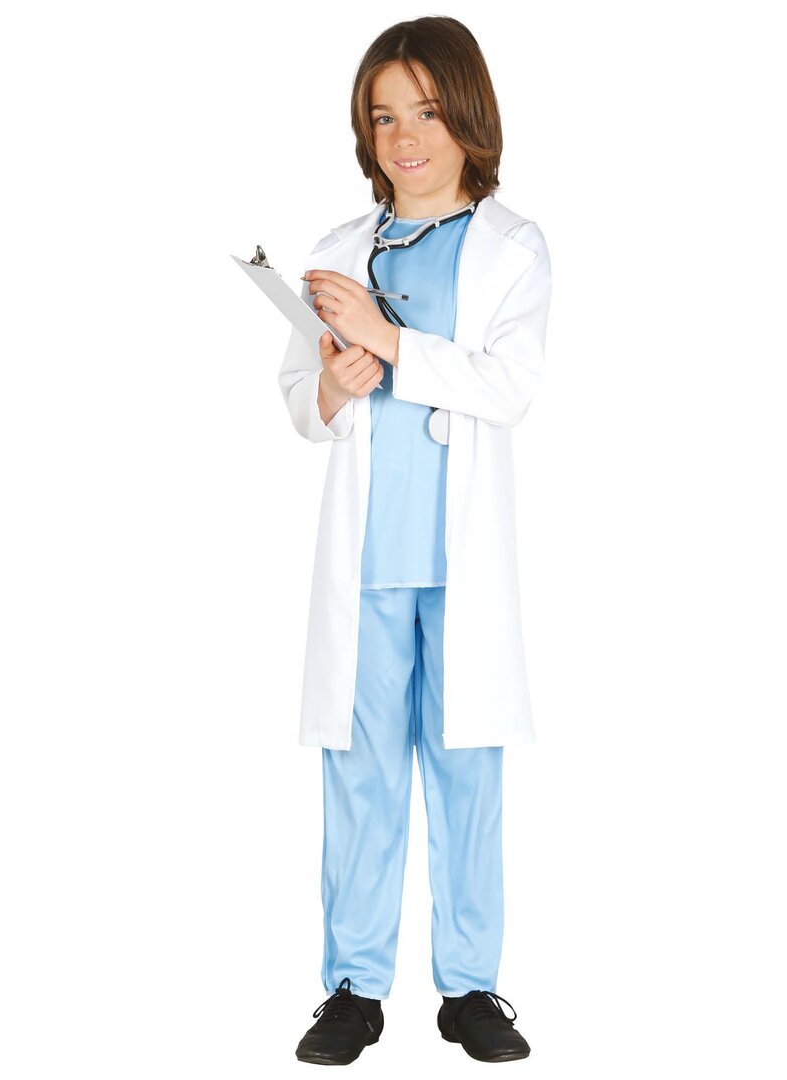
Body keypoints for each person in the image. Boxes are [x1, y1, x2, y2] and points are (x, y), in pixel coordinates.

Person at [277, 16, 552, 1066]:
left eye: (426, 113)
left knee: (465, 773)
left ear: (467, 116)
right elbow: (300, 403)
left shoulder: (513, 248)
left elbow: (509, 388)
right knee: (359, 775)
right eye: (383, 117)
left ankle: (470, 988)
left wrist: (388, 342)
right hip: (368, 561)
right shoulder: (337, 252)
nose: (404, 138)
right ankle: (353, 988)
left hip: (457, 560)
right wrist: (333, 386)